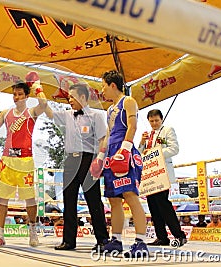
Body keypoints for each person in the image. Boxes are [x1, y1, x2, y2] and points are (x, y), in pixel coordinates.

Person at [0, 73, 47, 248]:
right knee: (2, 199)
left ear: (27, 96)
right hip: (7, 160)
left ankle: (33, 231)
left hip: (25, 160)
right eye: (15, 94)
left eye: (20, 94)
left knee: (30, 199)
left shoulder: (32, 112)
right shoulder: (6, 113)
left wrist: (37, 85)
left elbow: (44, 104)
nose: (17, 97)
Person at [44, 83, 109, 252]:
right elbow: (49, 113)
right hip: (71, 161)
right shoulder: (67, 114)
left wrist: (99, 159)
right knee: (69, 200)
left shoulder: (96, 115)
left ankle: (102, 239)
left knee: (93, 200)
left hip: (89, 159)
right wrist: (40, 95)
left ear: (82, 97)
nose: (69, 100)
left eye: (72, 97)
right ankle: (68, 240)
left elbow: (103, 138)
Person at [97, 70, 148, 257]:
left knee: (130, 195)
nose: (102, 90)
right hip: (111, 154)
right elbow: (109, 135)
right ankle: (116, 240)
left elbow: (133, 126)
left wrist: (125, 149)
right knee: (113, 199)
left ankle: (141, 242)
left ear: (112, 85)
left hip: (124, 152)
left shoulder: (129, 101)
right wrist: (100, 157)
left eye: (103, 86)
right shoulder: (109, 110)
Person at [138, 109, 187, 247]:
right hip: (149, 176)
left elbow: (174, 149)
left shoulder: (167, 130)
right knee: (153, 206)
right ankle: (161, 237)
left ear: (161, 119)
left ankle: (179, 235)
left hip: (162, 173)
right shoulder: (148, 135)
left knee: (163, 205)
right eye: (151, 121)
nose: (154, 123)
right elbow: (139, 153)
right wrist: (142, 143)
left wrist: (155, 152)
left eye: (156, 120)